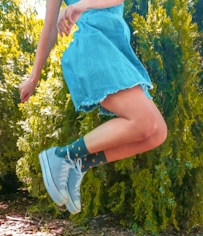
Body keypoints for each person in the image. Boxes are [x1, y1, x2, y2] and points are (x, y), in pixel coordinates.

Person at [19, 0, 167, 214]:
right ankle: (63, 156)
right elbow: (49, 27)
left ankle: (79, 165)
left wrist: (83, 5)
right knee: (145, 122)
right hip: (94, 45)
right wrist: (34, 76)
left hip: (114, 46)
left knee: (157, 133)